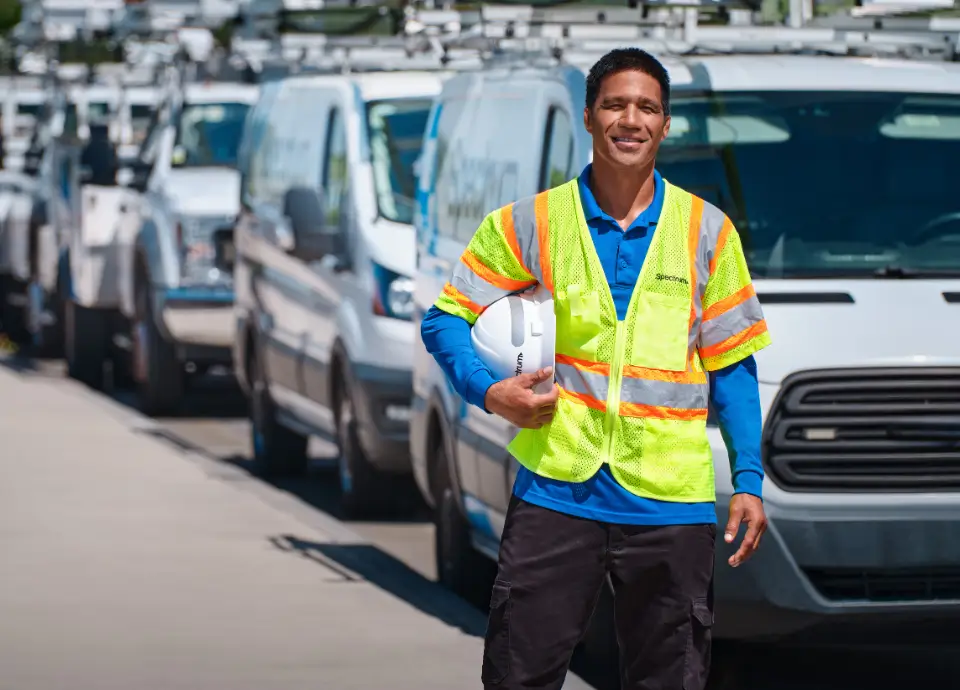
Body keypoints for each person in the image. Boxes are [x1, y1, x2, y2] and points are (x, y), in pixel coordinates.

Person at [420, 48, 772, 690]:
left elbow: (733, 368)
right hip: (557, 489)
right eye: (614, 104)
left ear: (666, 126)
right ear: (588, 116)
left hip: (670, 502)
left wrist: (748, 479)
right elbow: (444, 319)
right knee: (516, 676)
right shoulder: (531, 222)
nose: (629, 119)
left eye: (647, 108)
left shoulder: (708, 233)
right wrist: (491, 393)